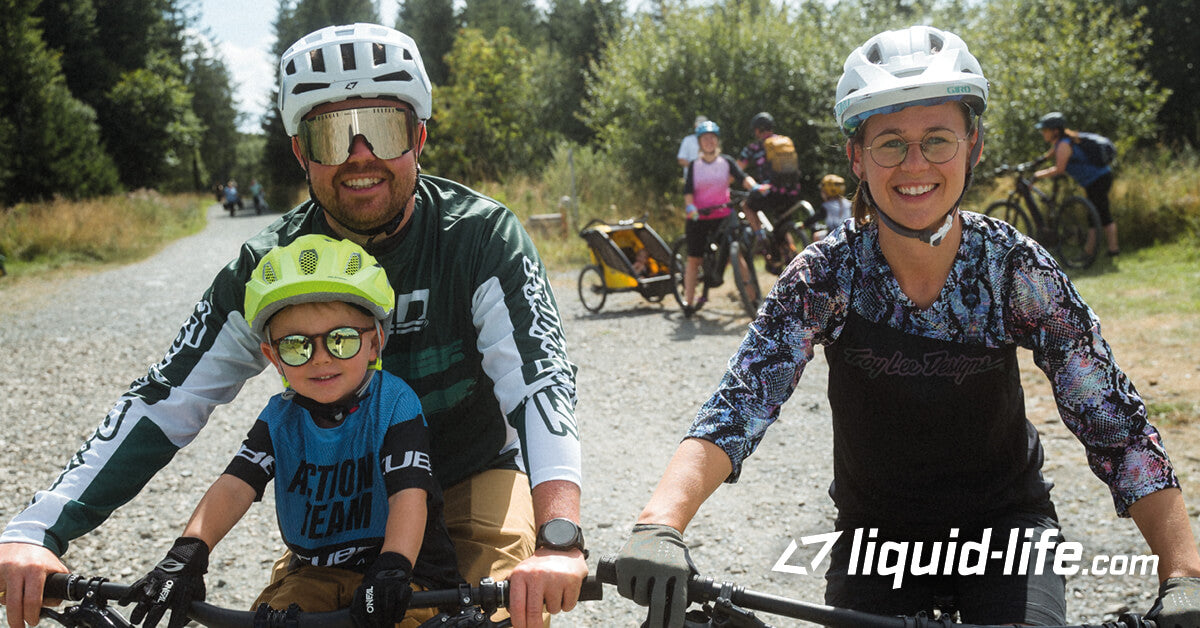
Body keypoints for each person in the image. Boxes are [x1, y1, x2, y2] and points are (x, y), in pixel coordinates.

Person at [0, 23, 585, 628]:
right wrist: (36, 530)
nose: (361, 156)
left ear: (419, 137)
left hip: (470, 477)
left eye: (383, 128)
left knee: (502, 614)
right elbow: (166, 399)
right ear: (302, 153)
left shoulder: (479, 236)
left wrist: (560, 539)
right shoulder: (267, 264)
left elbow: (539, 382)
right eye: (332, 134)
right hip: (347, 502)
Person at [613, 25, 1200, 628]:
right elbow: (740, 405)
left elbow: (1112, 421)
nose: (914, 164)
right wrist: (660, 524)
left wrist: (1183, 574)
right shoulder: (825, 275)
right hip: (876, 542)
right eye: (890, 142)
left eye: (937, 140)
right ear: (856, 156)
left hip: (1008, 535)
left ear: (972, 147)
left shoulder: (1015, 269)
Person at [120, 235, 463, 628]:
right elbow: (235, 485)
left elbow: (408, 495)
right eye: (296, 346)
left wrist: (393, 566)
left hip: (409, 573)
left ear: (374, 343)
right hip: (315, 573)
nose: (321, 358)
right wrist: (187, 552)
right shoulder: (279, 416)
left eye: (342, 340)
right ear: (273, 358)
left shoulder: (395, 404)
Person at [681, 120, 764, 314]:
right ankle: (689, 301)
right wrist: (690, 206)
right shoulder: (694, 165)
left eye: (712, 138)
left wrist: (754, 187)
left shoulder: (726, 161)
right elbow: (688, 191)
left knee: (739, 253)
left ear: (717, 141)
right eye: (705, 139)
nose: (709, 141)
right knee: (694, 259)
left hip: (724, 214)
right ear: (700, 143)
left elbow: (743, 177)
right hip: (699, 216)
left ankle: (754, 301)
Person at [1033, 111, 1119, 257]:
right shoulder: (1062, 142)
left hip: (1098, 179)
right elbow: (1049, 155)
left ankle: (1111, 250)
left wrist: (1037, 175)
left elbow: (1059, 169)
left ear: (1055, 131)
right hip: (1097, 179)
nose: (1042, 133)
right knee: (1094, 216)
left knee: (1102, 214)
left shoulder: (1063, 145)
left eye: (1045, 130)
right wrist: (1038, 161)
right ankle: (1091, 251)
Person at [737, 111, 804, 266]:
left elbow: (737, 169)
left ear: (757, 130)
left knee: (746, 205)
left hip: (771, 191)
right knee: (781, 226)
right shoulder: (785, 142)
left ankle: (761, 238)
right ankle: (793, 255)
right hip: (792, 191)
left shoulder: (755, 147)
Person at [813, 173, 852, 240]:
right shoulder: (848, 203)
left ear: (826, 192)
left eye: (823, 191)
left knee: (816, 236)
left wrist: (804, 224)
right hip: (849, 233)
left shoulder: (826, 206)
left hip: (834, 234)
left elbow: (815, 218)